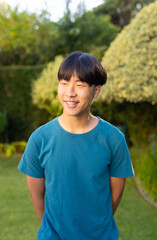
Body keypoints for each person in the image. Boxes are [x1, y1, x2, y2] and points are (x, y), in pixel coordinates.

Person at [17, 51, 134, 240]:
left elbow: (115, 196)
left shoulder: (114, 139)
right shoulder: (39, 139)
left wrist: (95, 227)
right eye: (64, 84)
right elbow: (37, 196)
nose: (70, 93)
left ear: (96, 90)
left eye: (80, 85)